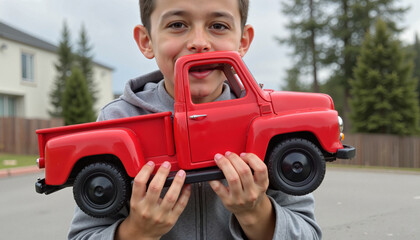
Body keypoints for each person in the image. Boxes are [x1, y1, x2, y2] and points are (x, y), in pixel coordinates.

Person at [68, 0, 322, 239]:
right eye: (177, 25)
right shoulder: (117, 119)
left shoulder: (269, 112)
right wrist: (137, 231)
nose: (199, 43)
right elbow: (84, 234)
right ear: (147, 40)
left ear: (242, 41)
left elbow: (308, 233)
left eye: (218, 26)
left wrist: (256, 213)